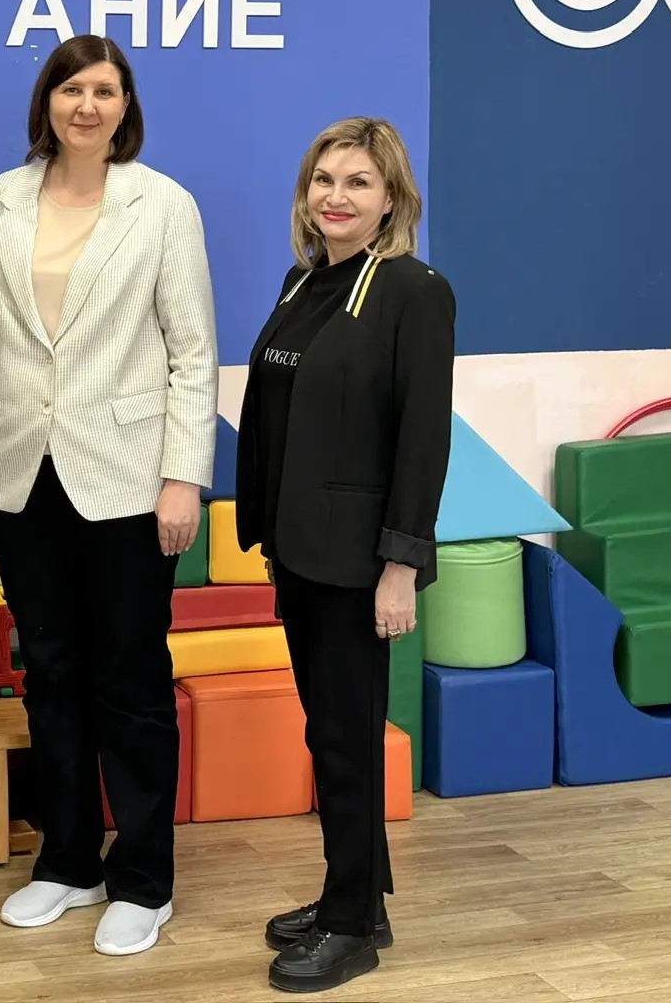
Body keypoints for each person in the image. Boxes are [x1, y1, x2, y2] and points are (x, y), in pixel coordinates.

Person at [0, 34, 218, 959]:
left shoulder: (163, 204)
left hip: (130, 478)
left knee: (130, 678)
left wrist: (183, 477)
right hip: (19, 472)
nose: (87, 106)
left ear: (125, 105)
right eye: (71, 89)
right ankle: (66, 859)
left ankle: (143, 878)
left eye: (105, 90)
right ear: (47, 103)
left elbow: (191, 353)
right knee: (51, 672)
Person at [233, 116, 454, 994]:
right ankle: (357, 895)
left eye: (358, 182)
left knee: (349, 740)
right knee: (331, 733)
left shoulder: (413, 291)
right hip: (299, 550)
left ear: (392, 198)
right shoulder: (305, 282)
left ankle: (352, 925)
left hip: (360, 561)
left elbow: (421, 439)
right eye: (324, 180)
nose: (336, 196)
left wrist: (401, 567)